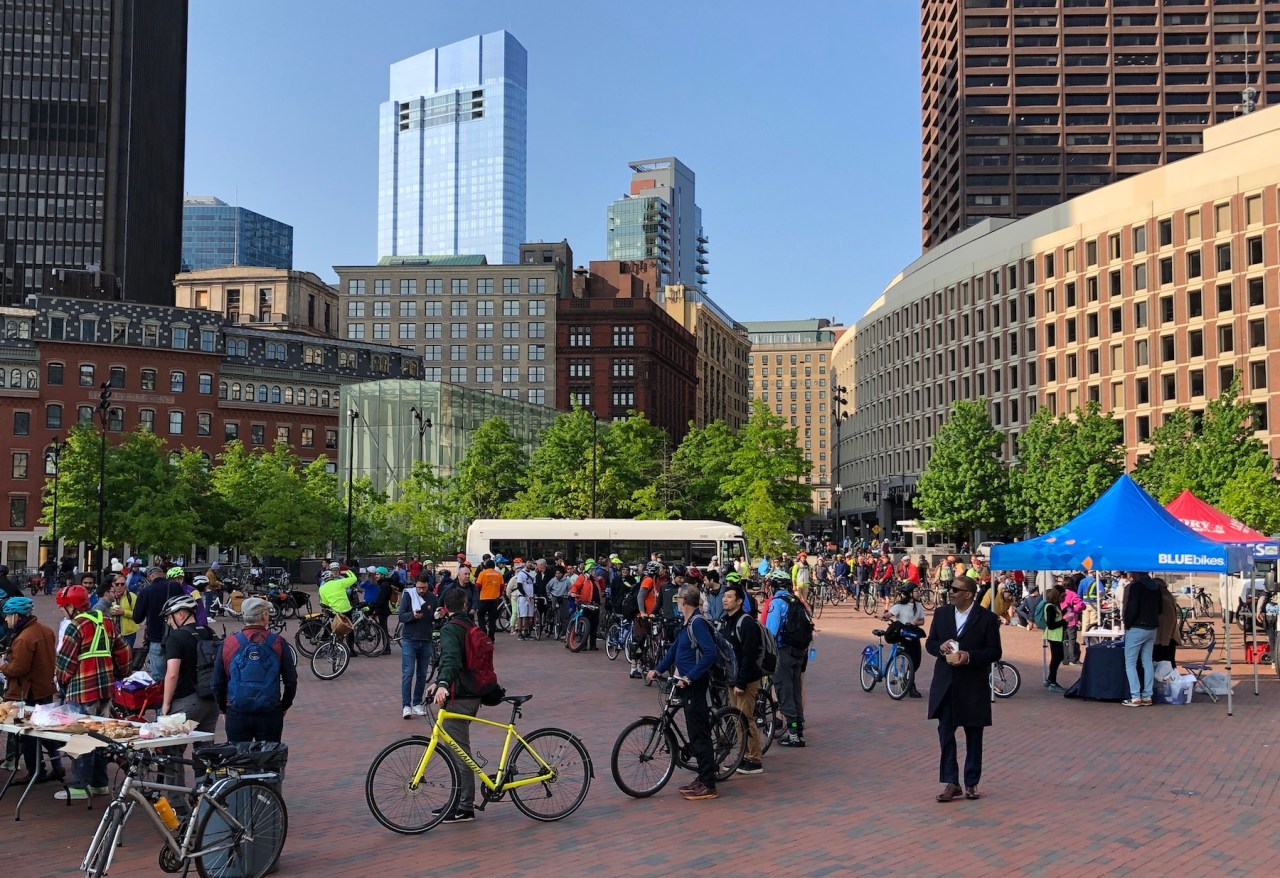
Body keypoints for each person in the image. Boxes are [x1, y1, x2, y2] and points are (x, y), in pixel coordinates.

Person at [925, 575, 1002, 803]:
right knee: (946, 734)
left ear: (968, 594)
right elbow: (930, 643)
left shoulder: (987, 618)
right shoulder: (941, 614)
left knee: (974, 735)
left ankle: (971, 782)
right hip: (946, 684)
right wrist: (939, 647)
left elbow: (995, 652)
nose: (951, 592)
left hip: (972, 686)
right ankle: (951, 782)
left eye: (956, 589)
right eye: (951, 588)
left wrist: (969, 656)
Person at [54, 583, 131, 799]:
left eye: (63, 607)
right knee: (99, 735)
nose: (62, 611)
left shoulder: (75, 625)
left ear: (72, 607)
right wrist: (120, 673)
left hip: (82, 688)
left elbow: (65, 661)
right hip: (105, 689)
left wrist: (61, 681)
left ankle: (80, 785)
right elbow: (123, 649)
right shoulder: (104, 620)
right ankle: (99, 783)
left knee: (81, 737)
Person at [646, 584, 720, 800]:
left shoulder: (697, 623)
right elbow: (675, 650)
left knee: (700, 734)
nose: (676, 603)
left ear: (684, 602)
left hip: (694, 685)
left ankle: (709, 784)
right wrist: (657, 669)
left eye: (678, 599)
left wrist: (690, 676)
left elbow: (710, 654)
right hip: (683, 684)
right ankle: (702, 776)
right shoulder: (687, 622)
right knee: (694, 731)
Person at [428, 586, 488, 823]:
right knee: (457, 750)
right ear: (464, 605)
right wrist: (437, 682)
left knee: (460, 753)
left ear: (444, 608)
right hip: (474, 694)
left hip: (460, 698)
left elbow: (452, 659)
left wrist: (443, 683)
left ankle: (465, 807)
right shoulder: (471, 626)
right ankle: (457, 802)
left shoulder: (450, 629)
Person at [157, 594, 220, 789]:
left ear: (181, 614)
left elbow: (172, 674)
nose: (169, 621)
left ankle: (178, 806)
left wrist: (166, 704)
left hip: (186, 702)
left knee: (171, 752)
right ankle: (206, 796)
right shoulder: (208, 632)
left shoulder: (177, 637)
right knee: (204, 752)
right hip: (210, 700)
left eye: (170, 616)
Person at [213, 597, 296, 743]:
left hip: (237, 712)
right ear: (264, 616)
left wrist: (224, 709)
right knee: (269, 760)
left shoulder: (229, 643)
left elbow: (217, 683)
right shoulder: (277, 642)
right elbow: (291, 680)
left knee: (239, 760)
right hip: (269, 713)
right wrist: (283, 706)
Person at [0, 596, 62, 785]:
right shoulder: (45, 630)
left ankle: (36, 771)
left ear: (17, 616)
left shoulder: (24, 638)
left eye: (8, 616)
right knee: (47, 732)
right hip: (44, 688)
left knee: (28, 734)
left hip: (28, 691)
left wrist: (3, 665)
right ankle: (57, 765)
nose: (5, 619)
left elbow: (18, 669)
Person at [721, 580, 765, 775]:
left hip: (745, 680)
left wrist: (741, 682)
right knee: (737, 718)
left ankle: (754, 760)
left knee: (746, 718)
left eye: (729, 597)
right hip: (733, 678)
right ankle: (743, 755)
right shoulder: (726, 620)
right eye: (724, 596)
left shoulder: (745, 622)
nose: (725, 599)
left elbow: (749, 655)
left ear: (739, 601)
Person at [764, 568, 809, 748]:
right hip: (799, 652)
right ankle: (798, 730)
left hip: (783, 652)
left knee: (784, 691)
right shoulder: (796, 601)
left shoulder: (777, 603)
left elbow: (770, 632)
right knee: (796, 691)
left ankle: (793, 736)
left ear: (774, 586)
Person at [132, 565, 187, 679]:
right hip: (177, 634)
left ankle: (163, 694)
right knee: (179, 671)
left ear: (149, 577)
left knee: (159, 675)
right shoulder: (175, 586)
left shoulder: (145, 591)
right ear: (163, 574)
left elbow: (137, 618)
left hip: (156, 637)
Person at [398, 572, 438, 719]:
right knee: (408, 673)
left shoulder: (433, 598)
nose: (421, 590)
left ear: (428, 585)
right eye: (419, 587)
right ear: (415, 585)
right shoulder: (409, 595)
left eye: (424, 587)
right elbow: (401, 616)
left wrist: (437, 616)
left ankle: (417, 703)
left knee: (422, 674)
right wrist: (412, 616)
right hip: (410, 639)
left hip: (426, 639)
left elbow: (435, 615)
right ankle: (406, 705)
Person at [1122, 571, 1161, 707]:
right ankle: (1147, 695)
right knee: (1147, 661)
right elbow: (1160, 609)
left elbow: (1132, 608)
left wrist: (1127, 623)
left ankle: (1135, 696)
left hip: (1137, 627)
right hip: (1152, 627)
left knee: (1130, 663)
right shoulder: (1156, 586)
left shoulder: (1136, 587)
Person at [885, 583, 926, 698]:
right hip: (903, 635)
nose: (918, 593)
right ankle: (910, 685)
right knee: (909, 660)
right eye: (916, 591)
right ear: (910, 593)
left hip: (913, 634)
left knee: (916, 661)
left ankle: (905, 678)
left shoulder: (919, 606)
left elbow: (922, 621)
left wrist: (914, 623)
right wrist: (884, 616)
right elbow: (890, 613)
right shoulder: (900, 605)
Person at [94, 572, 138, 651]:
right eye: (117, 584)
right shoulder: (108, 597)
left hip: (128, 633)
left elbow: (137, 614)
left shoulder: (131, 596)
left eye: (122, 584)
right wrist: (110, 612)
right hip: (112, 633)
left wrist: (123, 612)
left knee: (126, 655)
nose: (120, 586)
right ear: (113, 585)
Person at [568, 560, 603, 650]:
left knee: (594, 624)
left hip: (595, 605)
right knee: (584, 623)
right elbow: (575, 586)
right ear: (589, 571)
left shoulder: (596, 580)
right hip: (585, 604)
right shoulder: (583, 578)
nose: (596, 572)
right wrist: (573, 593)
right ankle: (583, 644)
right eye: (594, 570)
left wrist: (601, 580)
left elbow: (603, 588)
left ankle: (593, 644)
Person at [1041, 587, 1067, 692]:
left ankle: (1051, 679)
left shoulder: (1055, 606)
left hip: (1057, 635)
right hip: (1054, 636)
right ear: (1057, 595)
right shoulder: (1050, 607)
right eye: (1062, 596)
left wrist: (1065, 611)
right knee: (1057, 658)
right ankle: (1052, 681)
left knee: (1057, 657)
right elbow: (1051, 624)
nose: (1064, 598)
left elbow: (1058, 617)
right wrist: (1065, 621)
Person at [1153, 577, 1181, 667]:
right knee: (1167, 662)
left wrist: (1164, 639)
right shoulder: (1166, 597)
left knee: (1165, 663)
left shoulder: (1164, 599)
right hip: (1166, 638)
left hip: (1165, 638)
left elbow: (1169, 620)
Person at [475, 560, 504, 639]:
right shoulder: (499, 574)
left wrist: (478, 594)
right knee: (492, 619)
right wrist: (499, 595)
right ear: (494, 566)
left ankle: (483, 632)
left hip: (483, 598)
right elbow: (502, 587)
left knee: (480, 615)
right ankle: (491, 637)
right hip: (494, 599)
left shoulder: (482, 573)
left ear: (486, 566)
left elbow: (477, 585)